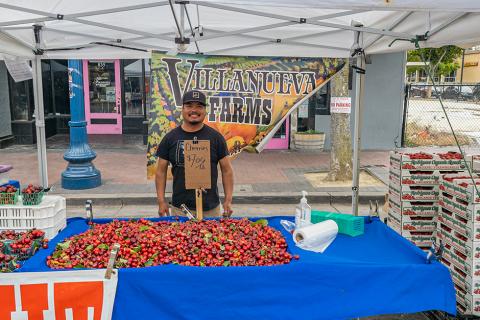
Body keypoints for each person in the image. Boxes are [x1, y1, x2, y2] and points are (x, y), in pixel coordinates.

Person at [155, 90, 234, 217]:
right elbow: (160, 171)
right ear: (182, 109)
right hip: (180, 209)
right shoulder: (170, 138)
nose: (194, 110)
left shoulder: (216, 138)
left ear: (205, 110)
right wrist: (161, 201)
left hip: (210, 210)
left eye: (199, 106)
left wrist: (228, 200)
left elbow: (227, 170)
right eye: (189, 106)